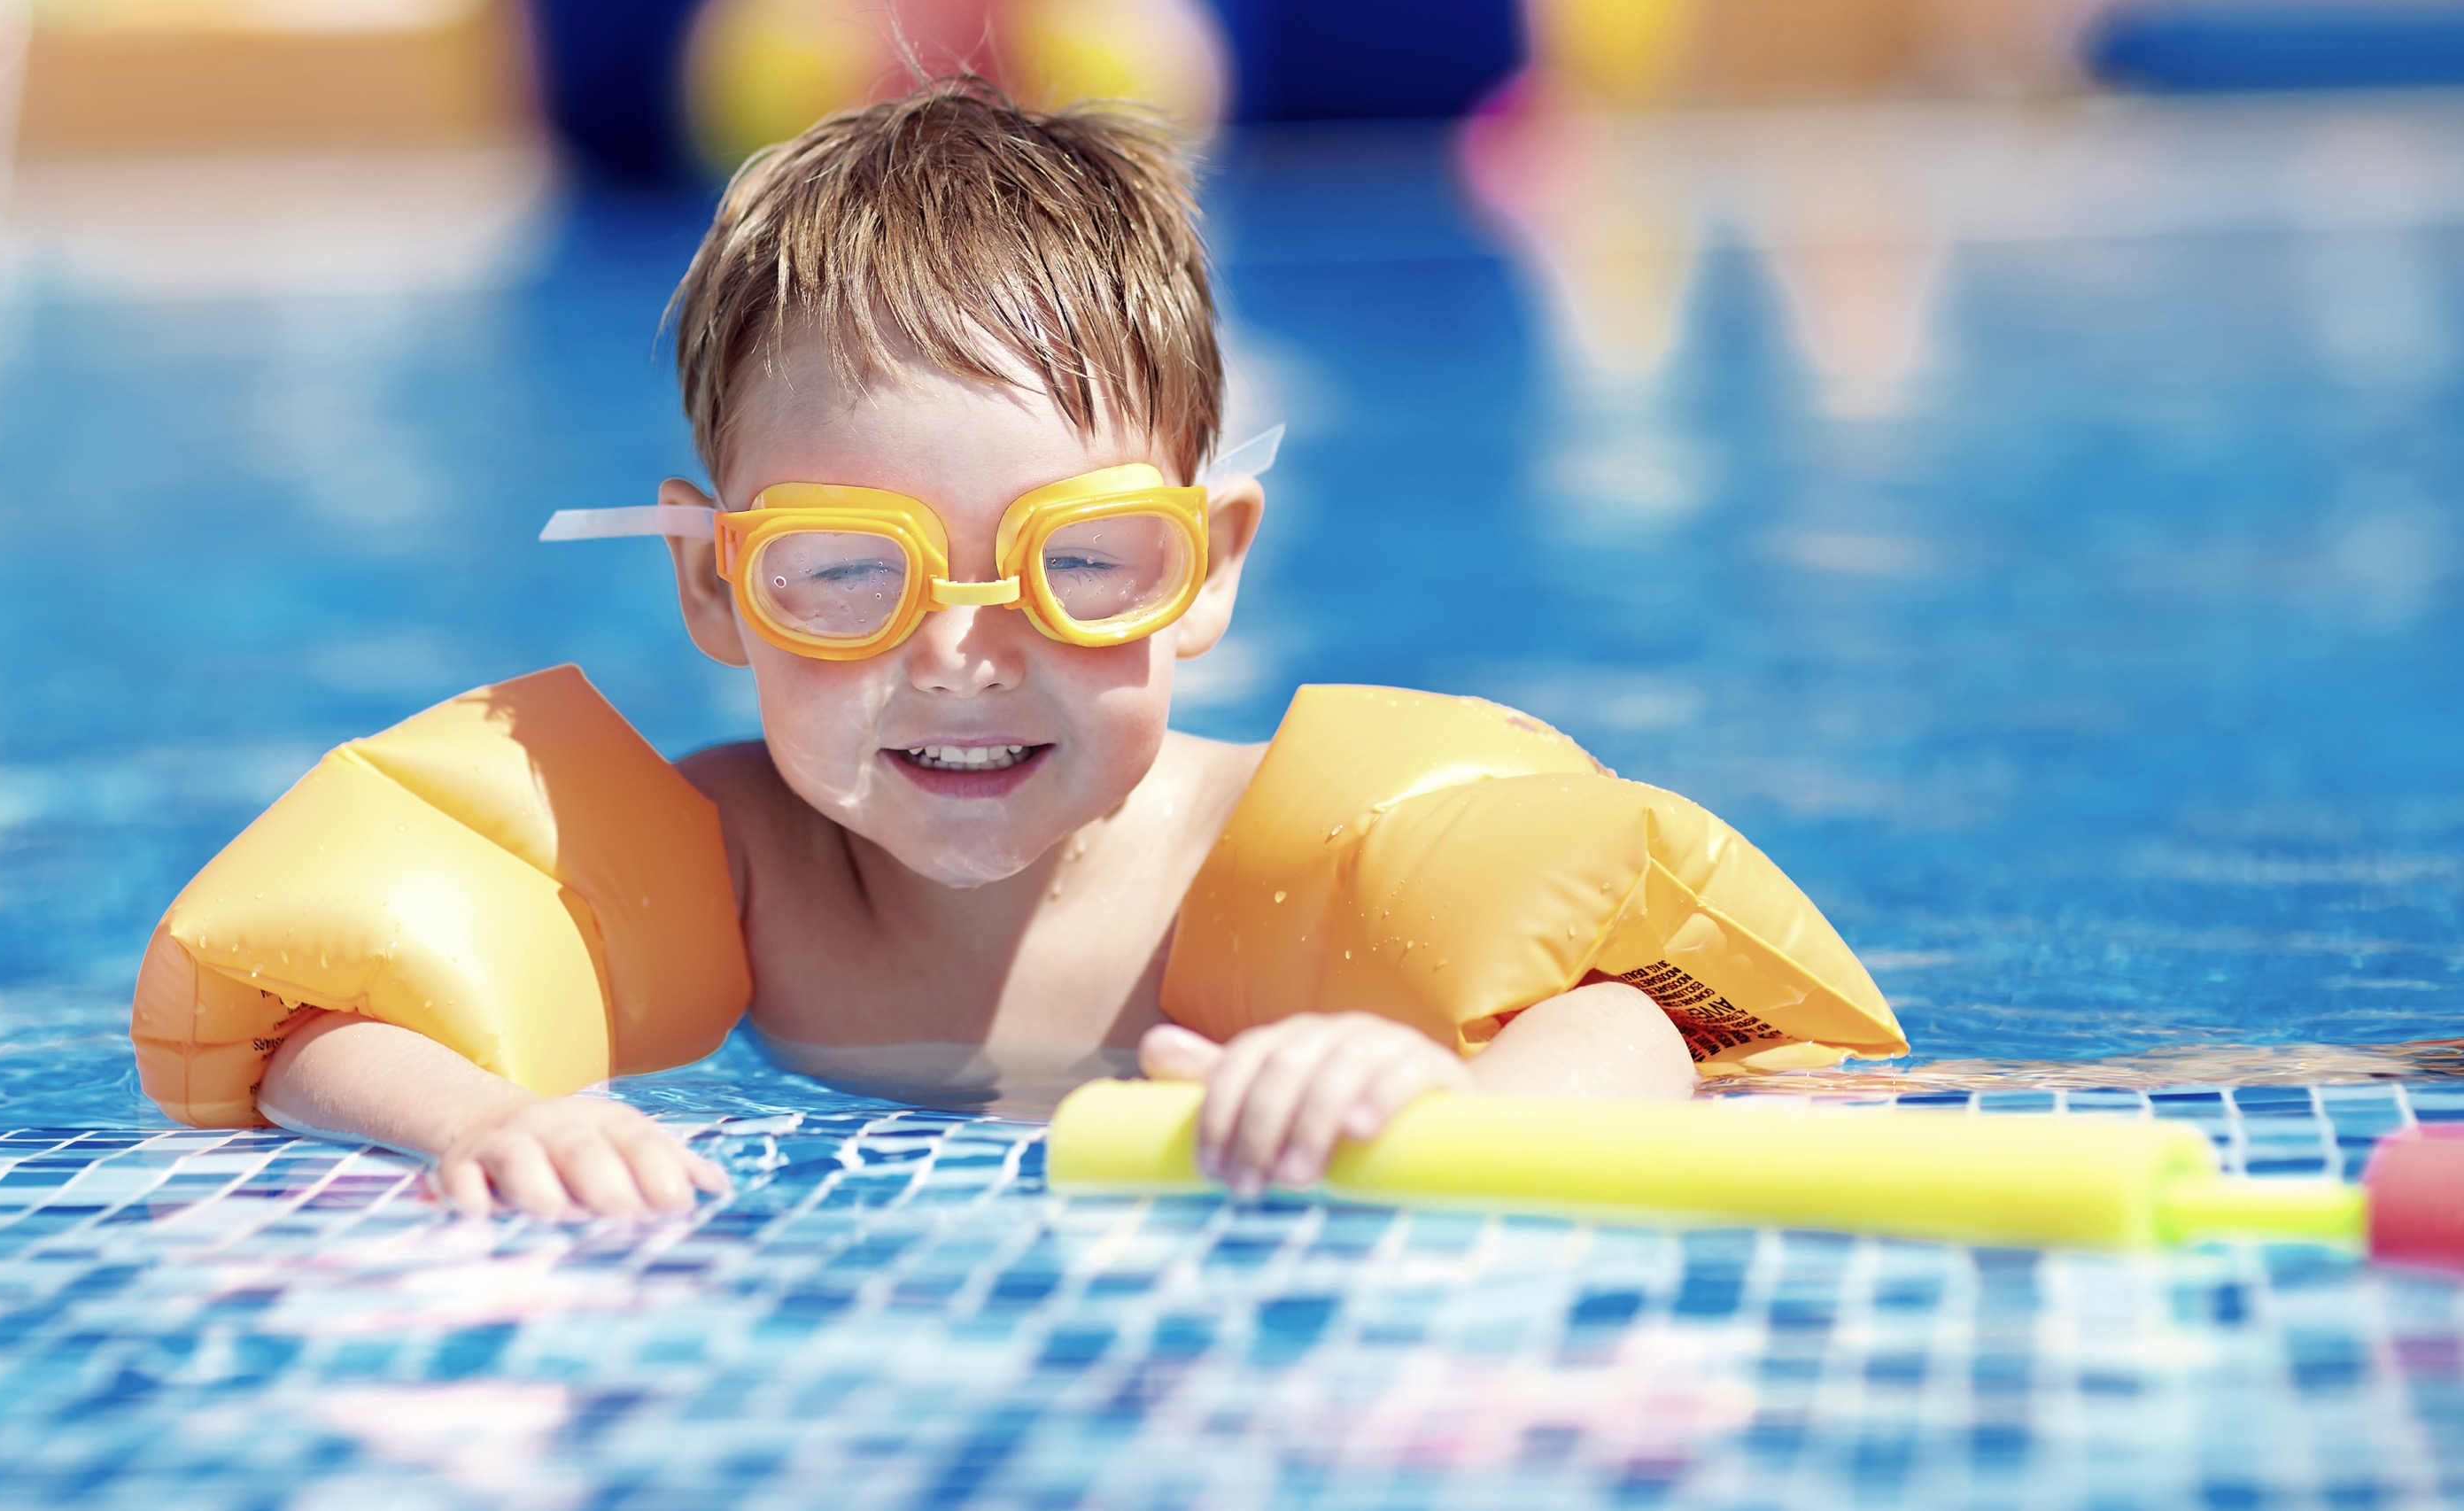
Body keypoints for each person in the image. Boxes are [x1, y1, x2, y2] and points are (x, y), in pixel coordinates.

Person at [206, 79, 1861, 1220]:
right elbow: (307, 1031)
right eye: (848, 576)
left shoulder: (1294, 857)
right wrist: (488, 1122)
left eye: (1081, 566)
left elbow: (1661, 1015)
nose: (964, 658)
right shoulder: (729, 870)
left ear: (1204, 571)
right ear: (714, 586)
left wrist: (1456, 1114)